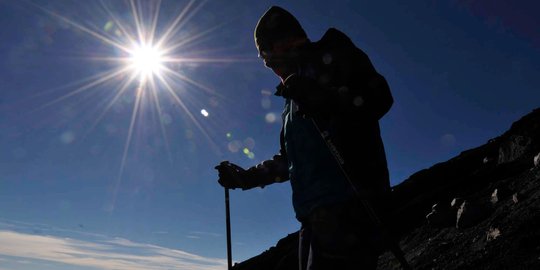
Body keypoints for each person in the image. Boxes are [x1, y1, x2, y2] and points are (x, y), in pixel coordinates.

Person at [215, 6, 393, 270]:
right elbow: (289, 161)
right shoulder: (292, 98)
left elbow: (379, 98)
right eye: (264, 59)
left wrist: (326, 99)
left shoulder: (332, 54)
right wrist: (245, 178)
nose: (269, 64)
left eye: (268, 54)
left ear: (289, 41)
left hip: (350, 209)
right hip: (312, 220)